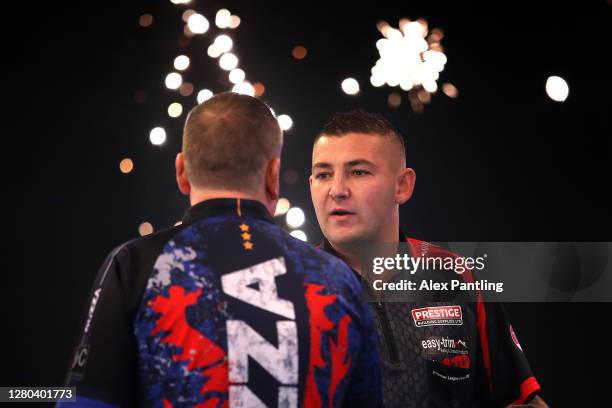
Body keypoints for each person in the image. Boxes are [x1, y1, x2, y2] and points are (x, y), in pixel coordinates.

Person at [59, 93, 382, 408]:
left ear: (182, 172)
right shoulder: (338, 279)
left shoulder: (137, 264)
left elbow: (86, 401)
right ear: (273, 175)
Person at [309, 109, 547, 407]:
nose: (337, 190)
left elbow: (521, 401)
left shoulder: (456, 276)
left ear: (402, 186)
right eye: (323, 174)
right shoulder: (288, 288)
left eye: (358, 172)